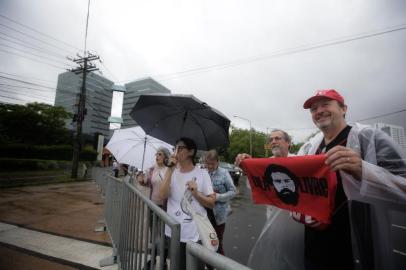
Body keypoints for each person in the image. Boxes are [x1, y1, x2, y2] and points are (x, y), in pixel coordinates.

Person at [297, 89, 406, 270]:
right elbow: (288, 171)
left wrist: (364, 170)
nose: (318, 111)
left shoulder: (369, 137)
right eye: (313, 109)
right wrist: (249, 162)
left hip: (353, 250)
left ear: (343, 109)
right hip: (314, 247)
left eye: (325, 104)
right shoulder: (311, 146)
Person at [237, 130, 305, 270]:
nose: (273, 141)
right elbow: (256, 189)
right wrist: (248, 169)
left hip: (297, 226)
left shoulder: (301, 161)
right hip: (273, 222)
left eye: (277, 138)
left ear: (288, 143)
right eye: (271, 139)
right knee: (277, 259)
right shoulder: (265, 164)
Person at [159, 137, 215, 270]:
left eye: (180, 148)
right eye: (175, 148)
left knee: (195, 267)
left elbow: (211, 203)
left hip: (196, 233)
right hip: (174, 231)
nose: (176, 151)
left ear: (191, 152)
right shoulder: (170, 172)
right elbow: (162, 195)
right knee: (176, 266)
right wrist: (170, 170)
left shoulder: (202, 174)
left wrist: (196, 193)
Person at [204, 149, 236, 255]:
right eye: (207, 163)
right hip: (205, 213)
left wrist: (218, 196)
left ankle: (219, 265)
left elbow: (233, 191)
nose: (209, 166)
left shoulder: (224, 173)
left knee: (217, 243)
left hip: (219, 214)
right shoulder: (203, 172)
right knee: (206, 242)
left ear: (217, 161)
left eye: (212, 164)